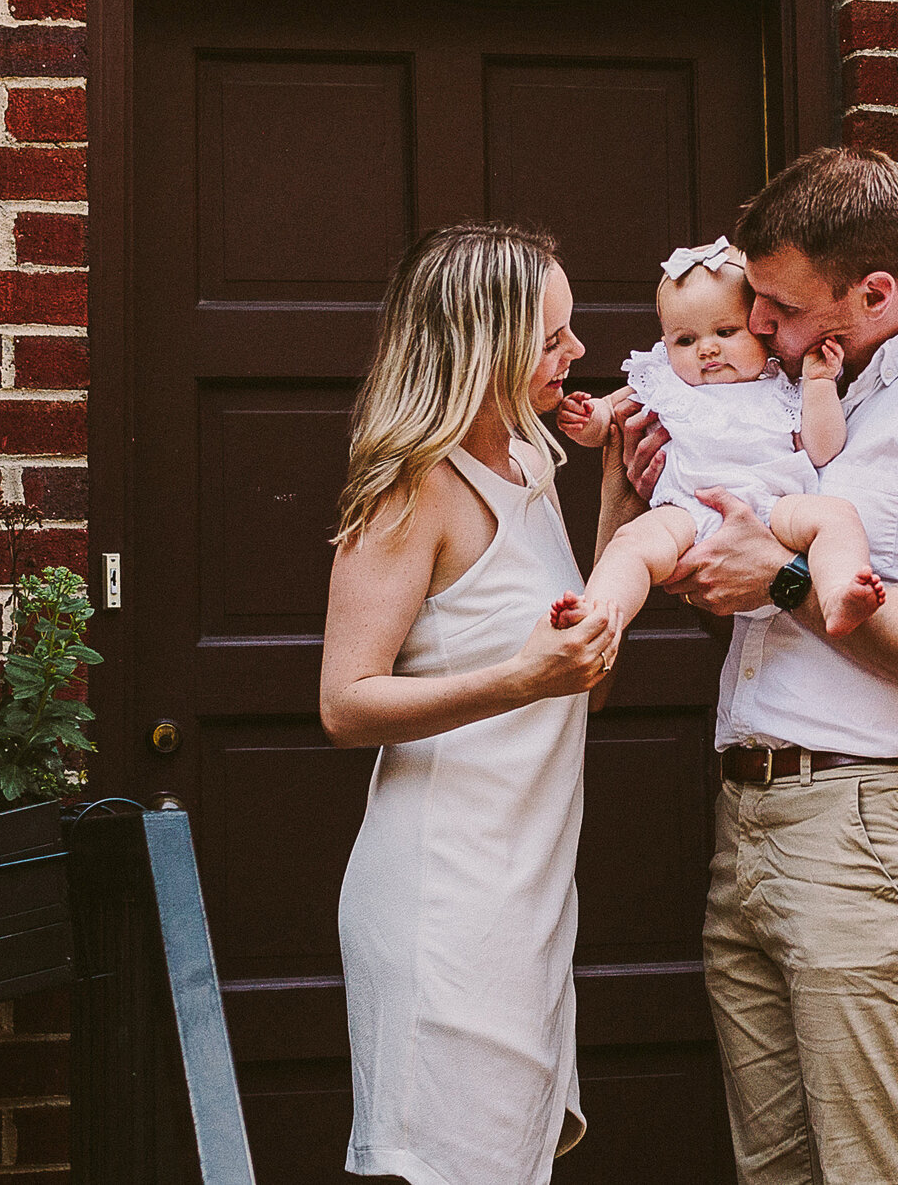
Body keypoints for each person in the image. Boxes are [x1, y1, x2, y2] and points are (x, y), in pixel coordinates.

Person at [599, 148, 898, 1185]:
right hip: (754, 822)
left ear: (876, 291)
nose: (756, 326)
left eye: (778, 305)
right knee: (778, 1173)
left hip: (872, 837)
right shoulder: (807, 404)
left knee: (876, 1173)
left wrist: (780, 578)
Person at [319, 223, 621, 1185]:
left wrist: (617, 492)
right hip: (442, 898)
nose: (575, 354)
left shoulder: (535, 470)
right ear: (479, 343)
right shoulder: (415, 488)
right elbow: (344, 701)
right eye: (550, 338)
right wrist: (515, 680)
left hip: (527, 895)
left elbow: (584, 681)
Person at [555, 235, 887, 642]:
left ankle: (837, 594)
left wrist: (819, 384)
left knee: (836, 516)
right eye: (685, 340)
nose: (707, 349)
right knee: (630, 543)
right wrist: (589, 418)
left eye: (726, 331)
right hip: (687, 512)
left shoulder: (781, 384)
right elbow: (609, 420)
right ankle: (599, 617)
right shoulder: (666, 381)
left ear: (760, 332)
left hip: (774, 510)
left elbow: (823, 449)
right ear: (665, 344)